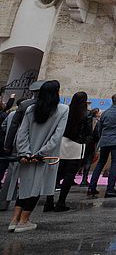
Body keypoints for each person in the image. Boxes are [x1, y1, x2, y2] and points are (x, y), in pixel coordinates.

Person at [5, 81, 68, 233]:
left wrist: (25, 152)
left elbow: (22, 133)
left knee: (25, 186)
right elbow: (57, 136)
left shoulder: (31, 109)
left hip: (27, 155)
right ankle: (24, 220)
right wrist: (41, 154)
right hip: (45, 156)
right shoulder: (63, 109)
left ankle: (14, 219)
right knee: (37, 187)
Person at [44, 91, 92, 212]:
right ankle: (61, 201)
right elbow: (88, 133)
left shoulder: (65, 110)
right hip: (77, 145)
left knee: (57, 173)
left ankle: (49, 201)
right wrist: (87, 142)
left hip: (63, 142)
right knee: (70, 174)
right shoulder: (86, 114)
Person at [79, 108, 100, 186]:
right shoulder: (96, 122)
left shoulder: (84, 120)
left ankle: (72, 178)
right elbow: (97, 134)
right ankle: (84, 179)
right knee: (88, 161)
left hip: (82, 142)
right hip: (91, 143)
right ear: (96, 113)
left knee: (79, 161)